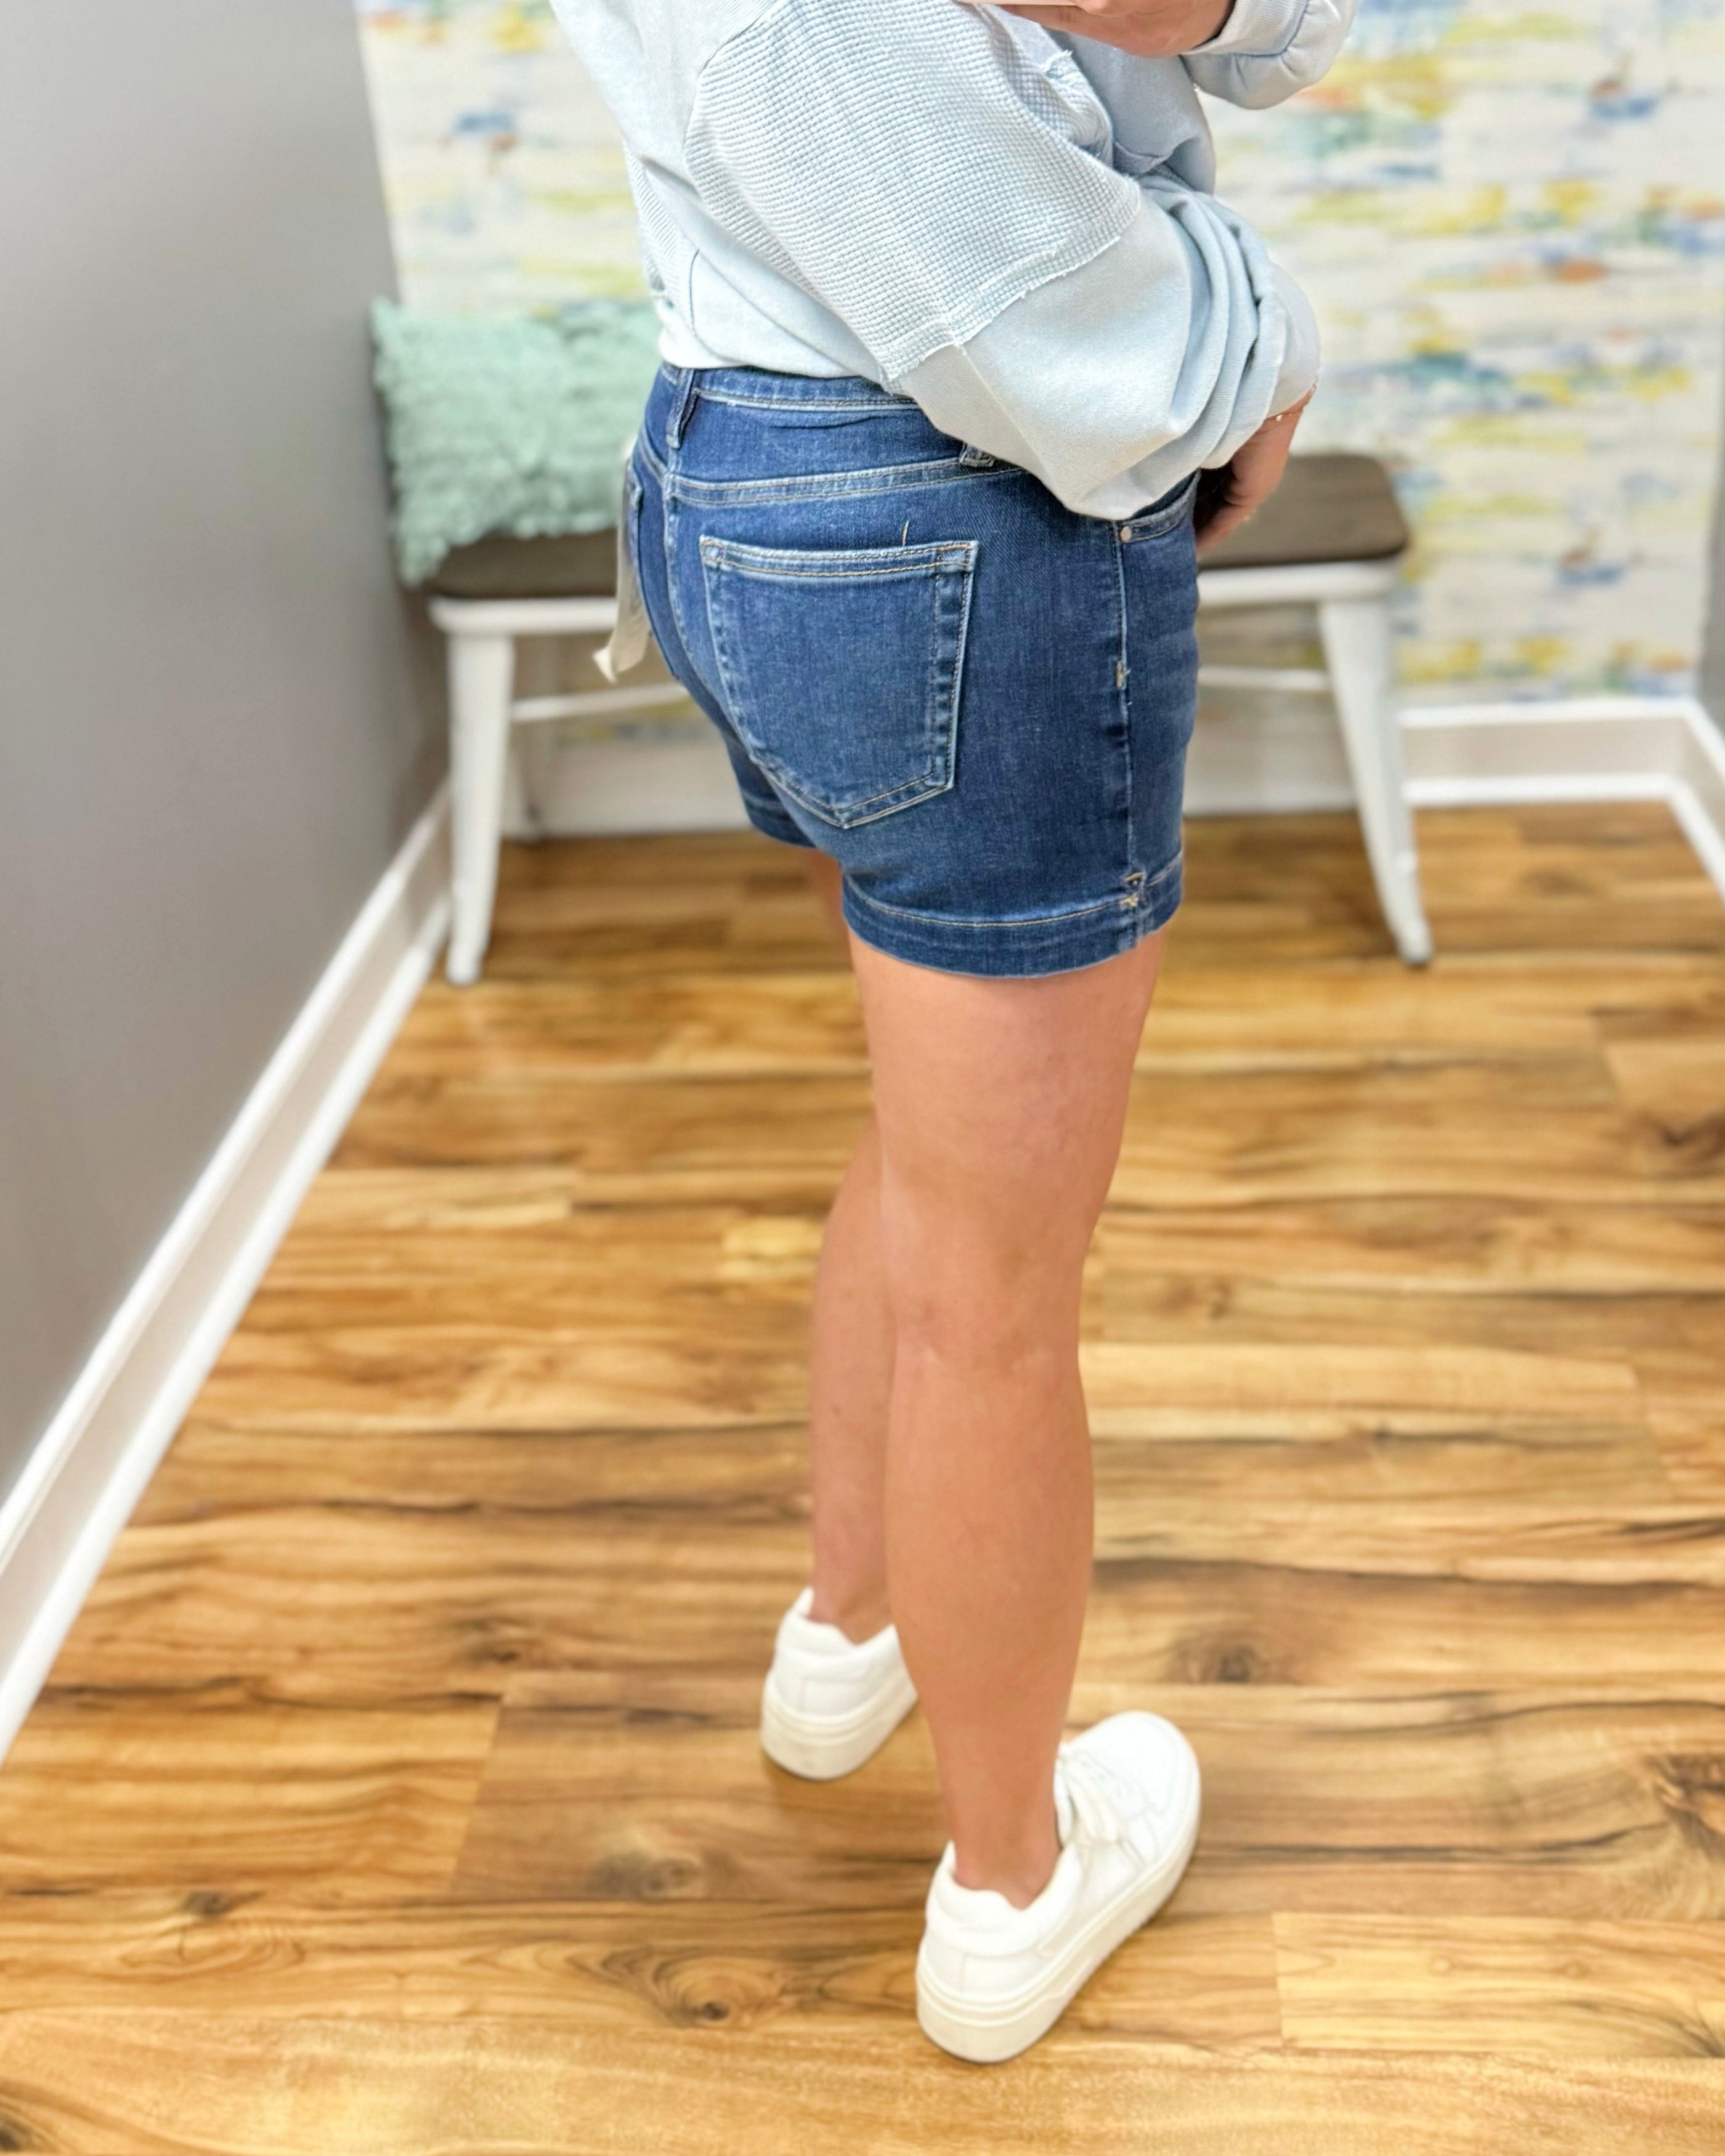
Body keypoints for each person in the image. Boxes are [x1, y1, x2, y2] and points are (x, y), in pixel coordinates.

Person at [553, 0, 1355, 2062]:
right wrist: (1261, 337)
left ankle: (853, 1630)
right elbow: (1071, 343)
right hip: (936, 509)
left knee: (932, 1154)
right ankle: (1012, 1881)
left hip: (731, 452)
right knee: (998, 1283)